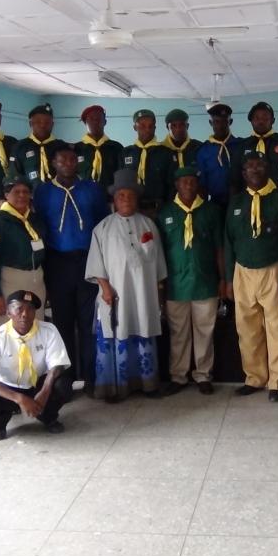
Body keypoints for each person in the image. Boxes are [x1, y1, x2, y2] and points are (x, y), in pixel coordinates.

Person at [85, 170, 168, 402]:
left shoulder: (148, 225)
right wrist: (105, 287)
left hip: (143, 296)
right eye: (121, 195)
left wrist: (160, 295)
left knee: (143, 330)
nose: (126, 199)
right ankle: (114, 388)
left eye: (130, 195)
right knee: (115, 335)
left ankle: (148, 385)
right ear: (114, 199)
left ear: (137, 199)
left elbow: (159, 264)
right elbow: (95, 264)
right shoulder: (102, 228)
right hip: (114, 295)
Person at [33, 146, 109, 392]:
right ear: (53, 163)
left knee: (88, 322)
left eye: (72, 159)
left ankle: (90, 376)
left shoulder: (92, 189)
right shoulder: (43, 192)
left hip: (88, 260)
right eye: (61, 159)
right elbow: (39, 226)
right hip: (57, 262)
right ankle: (65, 378)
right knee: (62, 322)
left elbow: (102, 225)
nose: (68, 163)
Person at [225, 151, 278, 402]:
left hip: (273, 270)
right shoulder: (236, 202)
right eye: (249, 167)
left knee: (277, 329)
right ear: (243, 173)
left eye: (259, 165)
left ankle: (276, 382)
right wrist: (227, 278)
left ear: (267, 169)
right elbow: (228, 242)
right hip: (242, 271)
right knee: (247, 329)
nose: (254, 170)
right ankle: (254, 378)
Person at [158, 167, 224, 396]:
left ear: (198, 185)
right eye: (183, 181)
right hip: (175, 284)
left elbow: (219, 249)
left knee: (205, 331)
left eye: (192, 181)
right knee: (178, 333)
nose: (188, 185)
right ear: (176, 184)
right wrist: (161, 283)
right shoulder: (165, 212)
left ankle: (203, 375)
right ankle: (178, 376)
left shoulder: (211, 211)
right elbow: (159, 252)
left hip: (205, 281)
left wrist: (223, 279)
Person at [0, 290, 71, 440]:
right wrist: (19, 398)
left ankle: (48, 416)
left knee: (63, 385)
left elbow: (57, 365)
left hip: (37, 384)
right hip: (9, 388)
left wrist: (45, 391)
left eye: (30, 309)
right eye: (19, 308)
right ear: (8, 312)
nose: (25, 314)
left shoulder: (49, 330)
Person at [0, 176, 47, 331]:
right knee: (6, 329)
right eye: (16, 191)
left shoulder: (35, 220)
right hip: (8, 283)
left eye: (26, 192)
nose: (22, 196)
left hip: (36, 280)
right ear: (6, 195)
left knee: (35, 328)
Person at [230, 101, 278, 209]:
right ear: (251, 121)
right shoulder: (241, 147)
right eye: (257, 118)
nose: (261, 121)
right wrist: (233, 208)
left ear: (273, 121)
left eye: (265, 117)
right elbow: (235, 182)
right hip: (249, 205)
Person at [120, 109, 175, 216]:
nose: (147, 129)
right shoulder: (126, 153)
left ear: (155, 128)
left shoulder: (165, 153)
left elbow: (171, 185)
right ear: (135, 127)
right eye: (142, 126)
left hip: (159, 209)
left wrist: (169, 209)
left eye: (151, 126)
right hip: (132, 208)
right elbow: (121, 184)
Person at [9, 103, 68, 187]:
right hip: (31, 197)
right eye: (38, 121)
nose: (43, 125)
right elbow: (15, 176)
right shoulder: (20, 147)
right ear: (30, 124)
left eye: (47, 122)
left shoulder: (62, 146)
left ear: (53, 124)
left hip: (59, 195)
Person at [196, 103, 241, 209]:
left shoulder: (241, 146)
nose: (221, 126)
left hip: (240, 201)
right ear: (210, 123)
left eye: (225, 121)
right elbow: (202, 184)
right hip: (215, 204)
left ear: (230, 122)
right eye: (216, 121)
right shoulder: (204, 151)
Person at [75, 104, 123, 189]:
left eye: (99, 119)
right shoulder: (76, 149)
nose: (95, 122)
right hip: (83, 198)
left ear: (105, 122)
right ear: (85, 122)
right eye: (91, 119)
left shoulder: (116, 148)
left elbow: (121, 177)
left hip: (109, 198)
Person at [162, 109, 202, 174]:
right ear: (167, 127)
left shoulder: (198, 147)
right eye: (173, 126)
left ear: (187, 126)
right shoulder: (160, 151)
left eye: (182, 125)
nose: (178, 129)